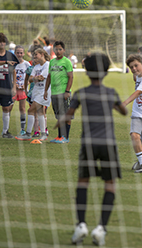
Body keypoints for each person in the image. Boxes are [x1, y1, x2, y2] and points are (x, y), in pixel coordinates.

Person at [54, 53, 127, 246]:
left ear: (86, 72)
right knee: (110, 184)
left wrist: (60, 122)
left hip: (88, 144)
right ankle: (101, 228)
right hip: (108, 144)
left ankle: (81, 225)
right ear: (106, 72)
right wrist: (115, 105)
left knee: (83, 182)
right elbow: (124, 111)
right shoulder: (110, 93)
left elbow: (68, 115)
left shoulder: (81, 93)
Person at [16, 48, 51, 141]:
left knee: (30, 110)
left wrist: (35, 78)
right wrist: (36, 78)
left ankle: (28, 134)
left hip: (44, 92)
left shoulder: (47, 65)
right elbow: (30, 79)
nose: (34, 56)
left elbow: (42, 77)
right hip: (36, 91)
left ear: (42, 54)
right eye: (34, 55)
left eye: (36, 55)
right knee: (40, 112)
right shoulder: (36, 67)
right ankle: (43, 134)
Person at [43, 40, 73, 143]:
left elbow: (70, 77)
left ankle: (66, 137)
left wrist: (67, 91)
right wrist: (46, 90)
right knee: (59, 115)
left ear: (64, 50)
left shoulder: (67, 61)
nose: (58, 51)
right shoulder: (52, 62)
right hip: (54, 93)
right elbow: (49, 77)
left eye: (60, 49)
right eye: (56, 49)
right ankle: (60, 136)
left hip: (63, 92)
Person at [11, 45, 31, 135]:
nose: (19, 54)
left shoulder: (27, 64)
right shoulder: (12, 64)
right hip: (14, 89)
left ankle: (23, 129)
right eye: (17, 52)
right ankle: (6, 129)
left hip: (23, 90)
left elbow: (31, 77)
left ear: (23, 53)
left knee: (22, 109)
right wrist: (14, 85)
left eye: (21, 52)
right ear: (15, 53)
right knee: (8, 108)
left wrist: (26, 85)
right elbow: (9, 76)